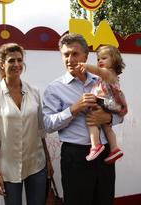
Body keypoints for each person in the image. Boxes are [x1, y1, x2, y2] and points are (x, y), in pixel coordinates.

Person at [42, 33, 123, 205]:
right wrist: (73, 109)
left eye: (75, 54)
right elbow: (47, 125)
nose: (70, 59)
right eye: (66, 54)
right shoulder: (54, 88)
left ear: (86, 56)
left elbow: (120, 113)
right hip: (75, 157)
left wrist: (107, 118)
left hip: (106, 155)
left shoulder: (103, 80)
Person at [0, 43, 53, 205]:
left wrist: (48, 161)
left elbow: (40, 131)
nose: (16, 65)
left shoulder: (34, 92)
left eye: (19, 60)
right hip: (8, 169)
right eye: (11, 61)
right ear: (2, 64)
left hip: (36, 164)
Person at [78, 45, 128, 163]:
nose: (100, 61)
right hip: (110, 104)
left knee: (91, 120)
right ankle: (114, 148)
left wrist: (85, 66)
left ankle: (95, 146)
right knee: (106, 126)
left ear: (114, 61)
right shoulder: (112, 76)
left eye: (104, 58)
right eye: (98, 59)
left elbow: (97, 71)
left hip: (102, 101)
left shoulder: (107, 73)